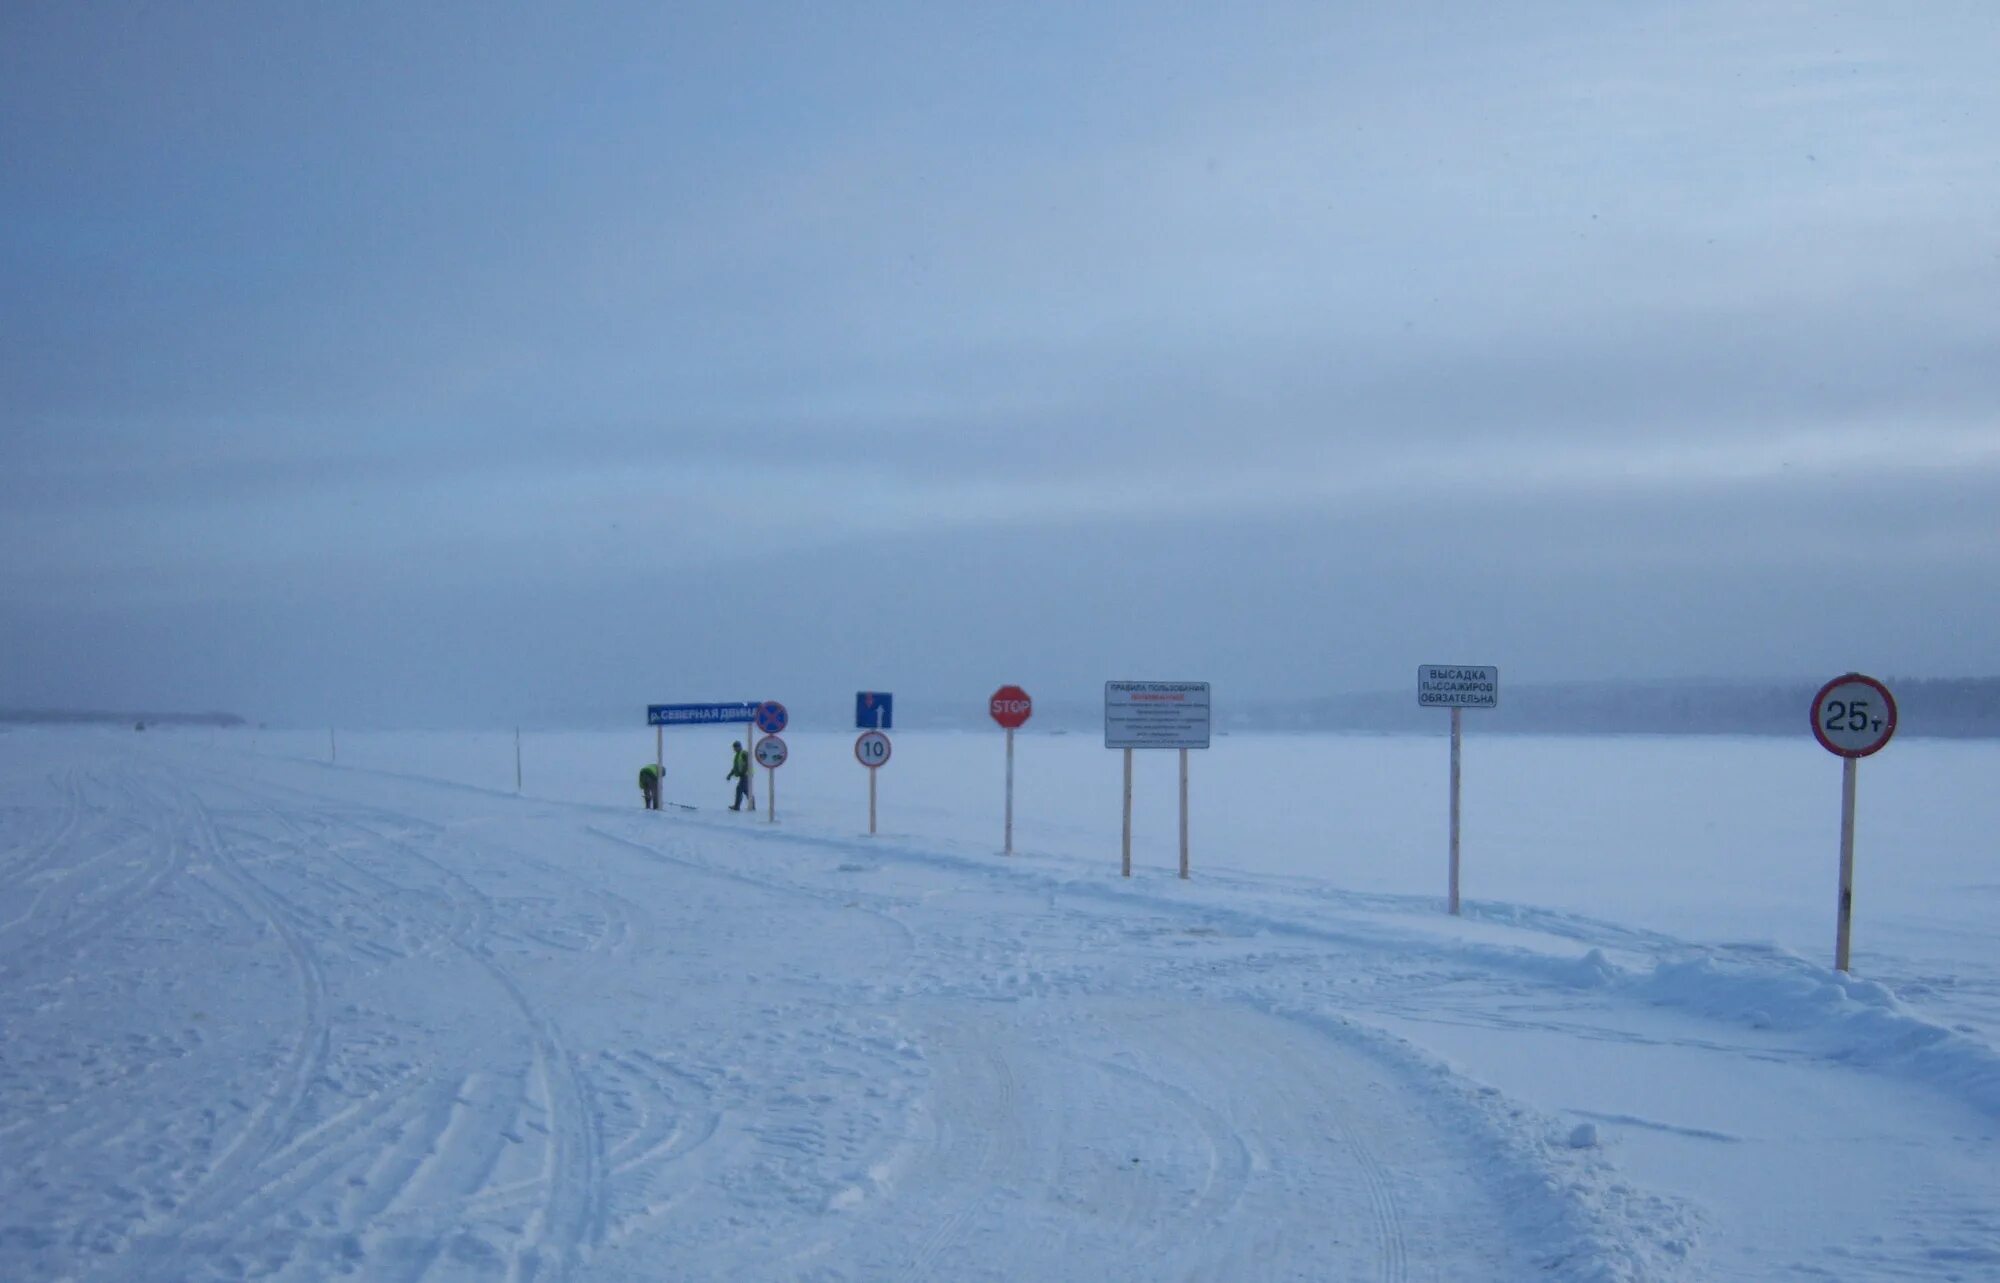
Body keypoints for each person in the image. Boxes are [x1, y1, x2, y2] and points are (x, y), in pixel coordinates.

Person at [727, 741, 753, 810]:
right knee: (743, 790)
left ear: (739, 747)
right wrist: (730, 774)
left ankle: (738, 806)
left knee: (743, 790)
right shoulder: (737, 755)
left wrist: (743, 772)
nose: (734, 749)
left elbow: (748, 763)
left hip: (746, 775)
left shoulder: (744, 753)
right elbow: (736, 767)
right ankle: (738, 806)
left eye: (735, 748)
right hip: (743, 775)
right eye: (734, 748)